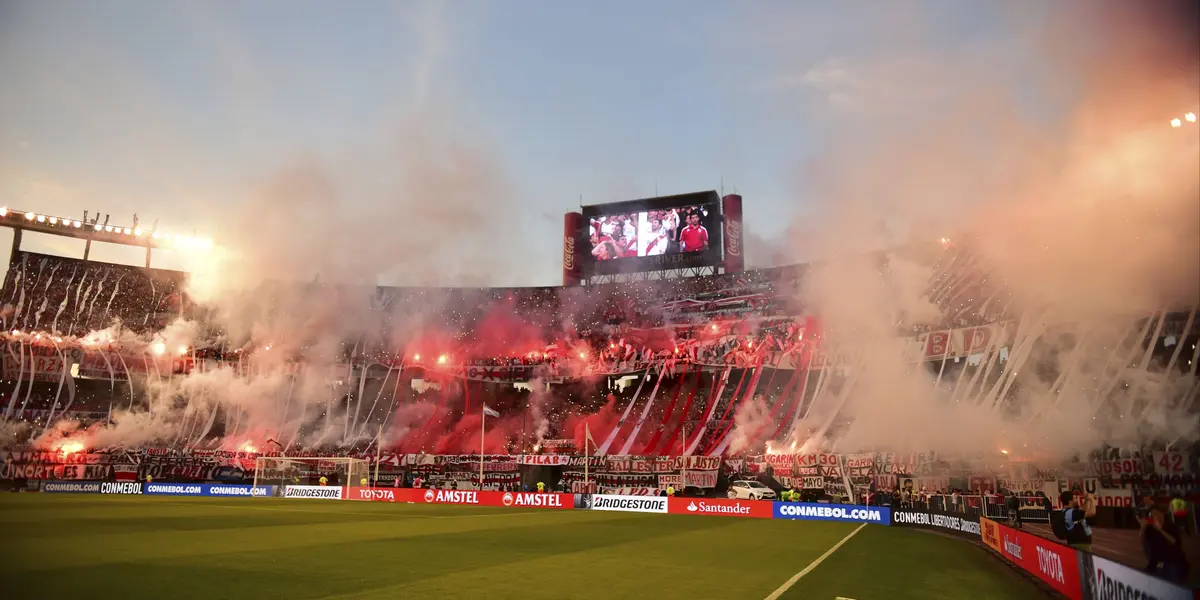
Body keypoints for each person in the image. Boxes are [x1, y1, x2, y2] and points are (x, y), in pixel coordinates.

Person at [1144, 506, 1190, 583]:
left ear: (1162, 514)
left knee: (1173, 581)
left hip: (1172, 561)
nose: (1156, 516)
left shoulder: (1171, 526)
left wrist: (1161, 530)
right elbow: (1145, 545)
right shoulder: (1150, 529)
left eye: (1158, 514)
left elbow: (1174, 541)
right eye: (1153, 515)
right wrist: (1142, 528)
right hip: (1157, 561)